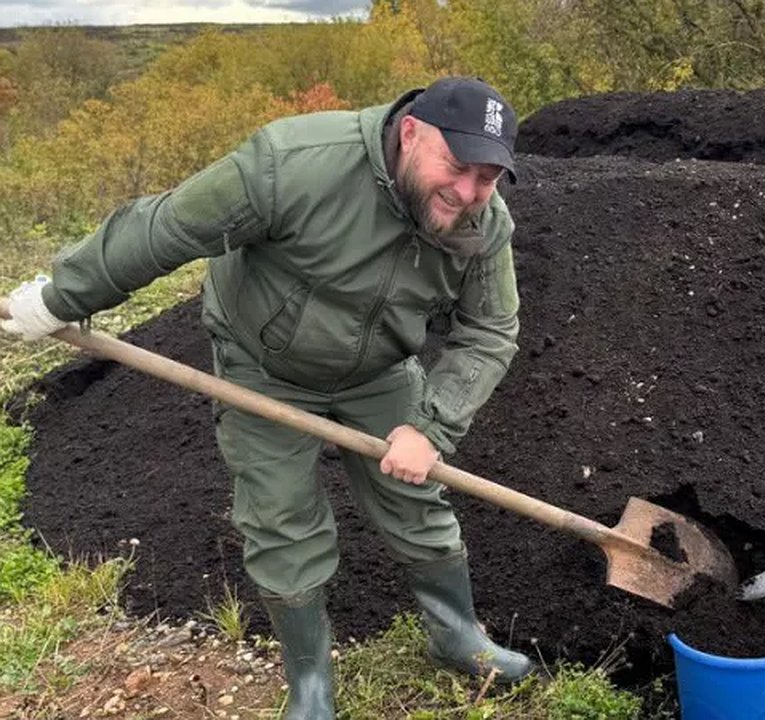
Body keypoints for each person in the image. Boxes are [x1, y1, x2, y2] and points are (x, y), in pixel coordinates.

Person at [1, 76, 532, 718]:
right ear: (413, 133)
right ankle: (310, 681)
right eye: (457, 167)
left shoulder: (484, 222)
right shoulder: (293, 164)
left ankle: (456, 635)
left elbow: (490, 330)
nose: (469, 192)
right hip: (264, 364)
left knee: (417, 502)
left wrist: (431, 426)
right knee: (282, 520)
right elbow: (166, 228)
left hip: (380, 372)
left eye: (488, 177)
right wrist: (60, 298)